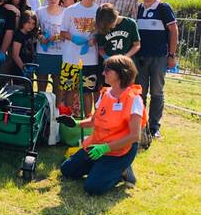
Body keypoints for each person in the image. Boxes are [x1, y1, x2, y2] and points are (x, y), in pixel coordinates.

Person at [60, 55, 147, 195]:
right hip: (97, 145)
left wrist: (105, 148)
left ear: (120, 73)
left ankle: (123, 169)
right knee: (67, 170)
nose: (102, 73)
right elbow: (94, 121)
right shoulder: (105, 93)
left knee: (93, 188)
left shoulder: (134, 99)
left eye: (107, 70)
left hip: (119, 151)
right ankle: (101, 167)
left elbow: (134, 136)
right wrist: (75, 123)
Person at [135, 0, 178, 139]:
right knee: (140, 92)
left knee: (157, 92)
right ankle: (140, 124)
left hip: (159, 57)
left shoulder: (163, 8)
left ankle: (154, 127)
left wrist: (172, 55)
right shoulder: (137, 9)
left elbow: (174, 31)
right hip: (140, 57)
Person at [59, 0, 101, 117]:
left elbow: (102, 32)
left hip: (90, 59)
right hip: (70, 58)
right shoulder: (70, 10)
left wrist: (94, 39)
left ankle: (88, 118)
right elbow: (63, 31)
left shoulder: (99, 11)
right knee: (69, 89)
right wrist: (74, 38)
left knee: (88, 90)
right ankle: (68, 118)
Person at [36, 0, 64, 99]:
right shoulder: (39, 11)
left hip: (60, 53)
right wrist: (40, 36)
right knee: (41, 84)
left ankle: (56, 110)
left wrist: (56, 37)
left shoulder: (66, 12)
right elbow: (34, 29)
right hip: (43, 52)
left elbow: (68, 32)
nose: (53, 0)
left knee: (58, 85)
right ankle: (41, 109)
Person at [12, 10, 38, 77]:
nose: (31, 25)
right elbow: (15, 55)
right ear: (23, 21)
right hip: (19, 69)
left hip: (30, 67)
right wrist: (24, 69)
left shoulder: (31, 34)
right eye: (28, 22)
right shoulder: (19, 35)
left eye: (33, 23)